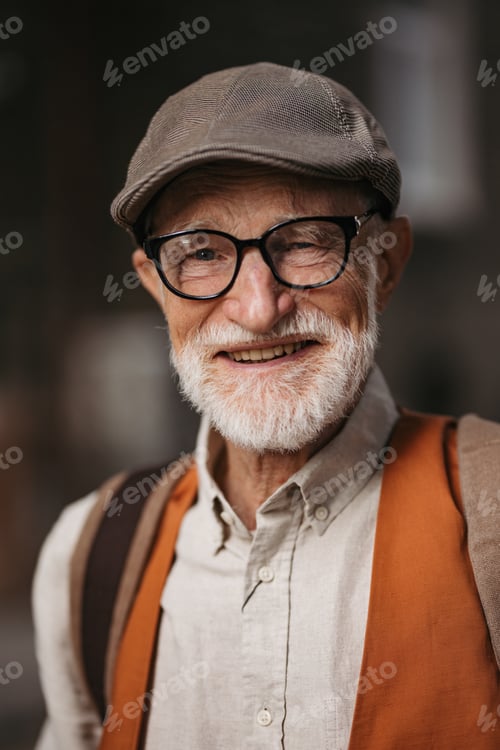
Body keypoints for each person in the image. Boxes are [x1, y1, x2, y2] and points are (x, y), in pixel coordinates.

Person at [32, 62, 500, 750]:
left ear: (386, 263)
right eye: (199, 253)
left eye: (306, 242)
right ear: (155, 286)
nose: (256, 311)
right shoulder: (89, 551)